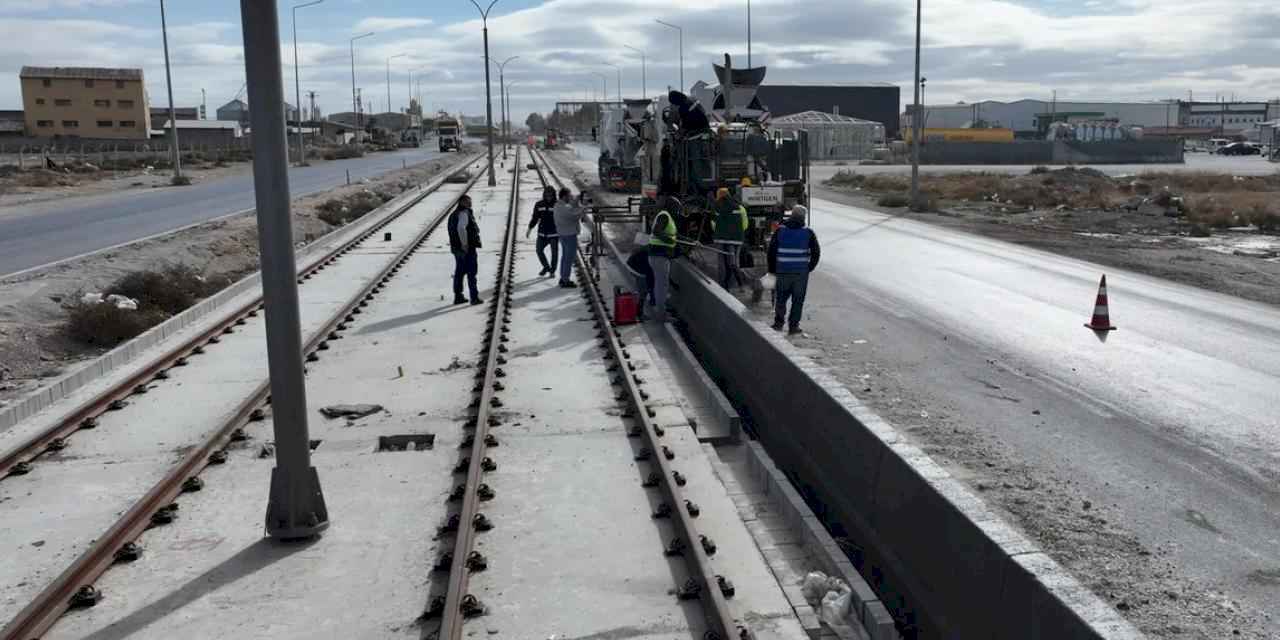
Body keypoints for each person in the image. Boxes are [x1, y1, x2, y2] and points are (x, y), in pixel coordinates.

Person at [767, 204, 820, 334]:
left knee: (781, 298)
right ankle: (793, 326)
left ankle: (778, 323)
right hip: (800, 273)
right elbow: (816, 252)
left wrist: (772, 270)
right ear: (803, 217)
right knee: (798, 300)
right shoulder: (808, 233)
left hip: (782, 271)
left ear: (792, 215)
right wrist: (809, 268)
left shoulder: (780, 231)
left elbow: (771, 252)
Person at [647, 199, 679, 322]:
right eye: (676, 208)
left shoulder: (667, 217)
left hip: (660, 256)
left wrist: (693, 241)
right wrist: (669, 240)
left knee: (661, 285)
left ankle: (661, 309)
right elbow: (656, 231)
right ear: (671, 207)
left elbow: (673, 236)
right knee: (661, 286)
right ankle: (661, 314)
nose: (678, 211)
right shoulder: (664, 216)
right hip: (659, 256)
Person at [447, 194, 483, 305]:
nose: (470, 203)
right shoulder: (463, 213)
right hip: (467, 248)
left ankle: (458, 296)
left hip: (456, 248)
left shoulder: (454, 214)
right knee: (471, 272)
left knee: (459, 272)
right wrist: (465, 244)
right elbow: (461, 228)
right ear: (462, 202)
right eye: (468, 201)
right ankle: (474, 297)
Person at [711, 187, 748, 289]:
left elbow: (714, 224)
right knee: (734, 262)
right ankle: (735, 284)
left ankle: (722, 285)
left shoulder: (717, 207)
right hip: (737, 238)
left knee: (722, 262)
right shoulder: (740, 208)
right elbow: (745, 225)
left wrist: (721, 231)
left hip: (721, 238)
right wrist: (737, 231)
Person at [552, 187, 586, 287]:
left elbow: (570, 207)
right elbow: (575, 215)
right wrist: (584, 207)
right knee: (569, 258)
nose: (571, 197)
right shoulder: (563, 208)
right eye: (569, 195)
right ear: (564, 196)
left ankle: (563, 277)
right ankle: (565, 280)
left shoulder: (559, 205)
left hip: (564, 234)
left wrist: (577, 200)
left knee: (565, 257)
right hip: (569, 235)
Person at [526, 186, 559, 276]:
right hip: (542, 233)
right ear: (544, 195)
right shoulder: (539, 204)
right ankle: (546, 267)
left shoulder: (558, 205)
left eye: (550, 195)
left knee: (554, 253)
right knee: (539, 250)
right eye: (547, 195)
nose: (549, 197)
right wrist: (529, 229)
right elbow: (535, 218)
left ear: (553, 195)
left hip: (554, 233)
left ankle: (552, 271)